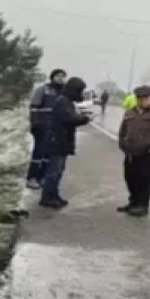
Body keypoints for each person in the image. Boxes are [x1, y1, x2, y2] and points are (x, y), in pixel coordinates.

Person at [38, 77, 91, 209]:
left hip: (61, 141)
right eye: (79, 91)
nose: (80, 94)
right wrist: (84, 119)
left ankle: (54, 195)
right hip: (57, 141)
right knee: (54, 172)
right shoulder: (63, 102)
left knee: (58, 171)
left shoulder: (65, 101)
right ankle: (47, 198)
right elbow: (69, 118)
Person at [118, 86, 150, 217]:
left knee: (145, 180)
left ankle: (142, 205)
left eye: (146, 98)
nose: (143, 101)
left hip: (148, 154)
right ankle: (133, 202)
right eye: (140, 98)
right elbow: (123, 130)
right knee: (130, 178)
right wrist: (122, 144)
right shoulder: (130, 112)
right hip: (131, 152)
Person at [26, 69, 67, 189]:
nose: (60, 78)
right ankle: (32, 178)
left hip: (56, 129)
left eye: (63, 76)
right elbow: (34, 107)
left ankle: (42, 177)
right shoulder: (43, 90)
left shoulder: (64, 92)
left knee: (48, 155)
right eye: (58, 76)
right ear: (52, 77)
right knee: (38, 153)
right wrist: (35, 124)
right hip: (42, 127)